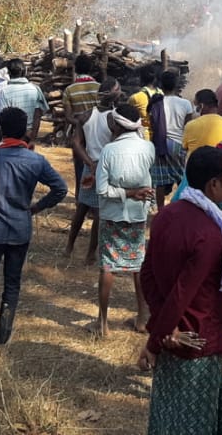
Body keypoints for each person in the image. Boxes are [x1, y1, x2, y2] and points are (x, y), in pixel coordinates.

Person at [138, 146, 222, 435]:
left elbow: (148, 275)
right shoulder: (210, 233)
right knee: (195, 423)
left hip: (174, 333)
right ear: (213, 184)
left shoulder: (167, 214)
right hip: (195, 338)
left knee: (167, 419)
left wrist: (162, 328)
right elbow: (183, 292)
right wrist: (156, 340)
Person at [0, 108, 69, 344]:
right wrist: (36, 207)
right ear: (25, 131)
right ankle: (4, 331)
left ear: (0, 129)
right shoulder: (35, 160)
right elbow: (61, 188)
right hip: (19, 227)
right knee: (12, 281)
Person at [93, 103, 155, 338]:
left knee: (108, 265)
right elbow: (148, 181)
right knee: (137, 265)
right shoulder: (148, 147)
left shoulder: (109, 150)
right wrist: (137, 194)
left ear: (117, 125)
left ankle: (103, 323)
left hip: (112, 215)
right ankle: (142, 317)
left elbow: (101, 189)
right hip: (138, 214)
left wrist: (126, 193)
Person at [65, 79, 121, 264]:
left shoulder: (87, 115)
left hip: (90, 168)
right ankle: (90, 253)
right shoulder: (115, 118)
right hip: (106, 168)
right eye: (118, 88)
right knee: (99, 213)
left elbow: (76, 142)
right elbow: (114, 145)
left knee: (81, 208)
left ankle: (69, 246)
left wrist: (89, 163)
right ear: (113, 95)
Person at [147, 69, 194, 208]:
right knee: (181, 177)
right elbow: (188, 125)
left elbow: (152, 124)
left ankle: (161, 210)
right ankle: (184, 207)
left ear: (161, 85)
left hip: (160, 143)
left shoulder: (155, 103)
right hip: (179, 143)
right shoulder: (185, 103)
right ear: (176, 85)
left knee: (161, 180)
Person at [63, 53, 100, 200]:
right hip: (98, 133)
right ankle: (96, 199)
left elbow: (68, 116)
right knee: (97, 164)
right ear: (91, 69)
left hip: (79, 135)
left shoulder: (70, 90)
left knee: (80, 166)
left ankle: (81, 198)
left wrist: (80, 124)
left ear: (76, 69)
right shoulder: (99, 88)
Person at [0, 59, 48, 144]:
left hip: (12, 137)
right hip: (29, 136)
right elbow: (38, 115)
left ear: (9, 73)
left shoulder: (4, 91)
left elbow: (4, 116)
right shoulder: (35, 89)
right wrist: (33, 138)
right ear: (24, 71)